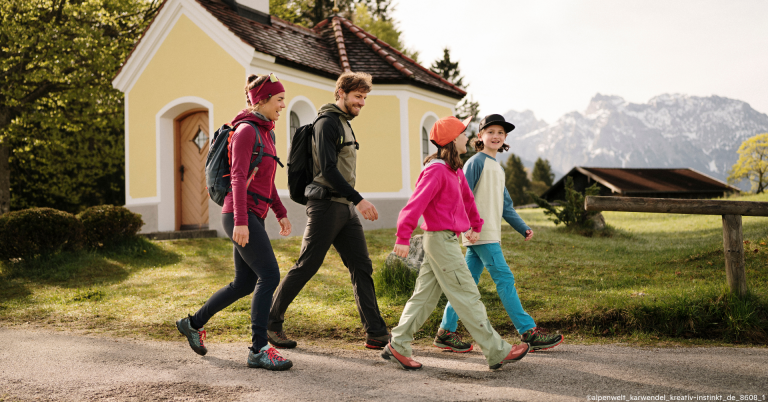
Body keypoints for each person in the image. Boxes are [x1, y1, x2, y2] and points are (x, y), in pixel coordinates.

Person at [381, 115, 530, 370]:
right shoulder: (436, 170)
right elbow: (415, 205)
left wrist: (476, 225)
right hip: (439, 240)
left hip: (446, 240)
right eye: (462, 134)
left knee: (424, 297)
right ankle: (497, 351)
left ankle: (398, 343)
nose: (466, 137)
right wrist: (402, 237)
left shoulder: (455, 170)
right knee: (467, 294)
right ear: (451, 139)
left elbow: (468, 201)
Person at [176, 73, 293, 371]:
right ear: (263, 100)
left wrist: (279, 211)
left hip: (253, 214)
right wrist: (241, 220)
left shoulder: (268, 133)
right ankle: (258, 348)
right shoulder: (245, 131)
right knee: (269, 275)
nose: (283, 104)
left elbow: (267, 180)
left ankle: (193, 323)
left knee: (244, 282)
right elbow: (238, 177)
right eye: (279, 99)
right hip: (239, 215)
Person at [266, 72, 390, 350]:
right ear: (340, 94)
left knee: (362, 267)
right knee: (306, 265)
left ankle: (376, 332)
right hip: (325, 206)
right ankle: (270, 323)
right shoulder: (327, 123)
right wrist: (359, 199)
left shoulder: (345, 123)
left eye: (364, 97)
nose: (362, 102)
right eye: (358, 96)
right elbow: (328, 168)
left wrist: (352, 202)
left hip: (344, 208)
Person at [433, 114, 563, 353]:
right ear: (479, 136)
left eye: (501, 133)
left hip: (487, 234)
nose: (496, 136)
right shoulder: (475, 163)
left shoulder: (497, 167)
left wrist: (522, 227)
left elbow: (506, 206)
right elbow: (462, 197)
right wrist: (469, 227)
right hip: (480, 234)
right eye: (490, 131)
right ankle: (528, 331)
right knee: (505, 280)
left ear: (505, 139)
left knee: (466, 285)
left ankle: (445, 332)